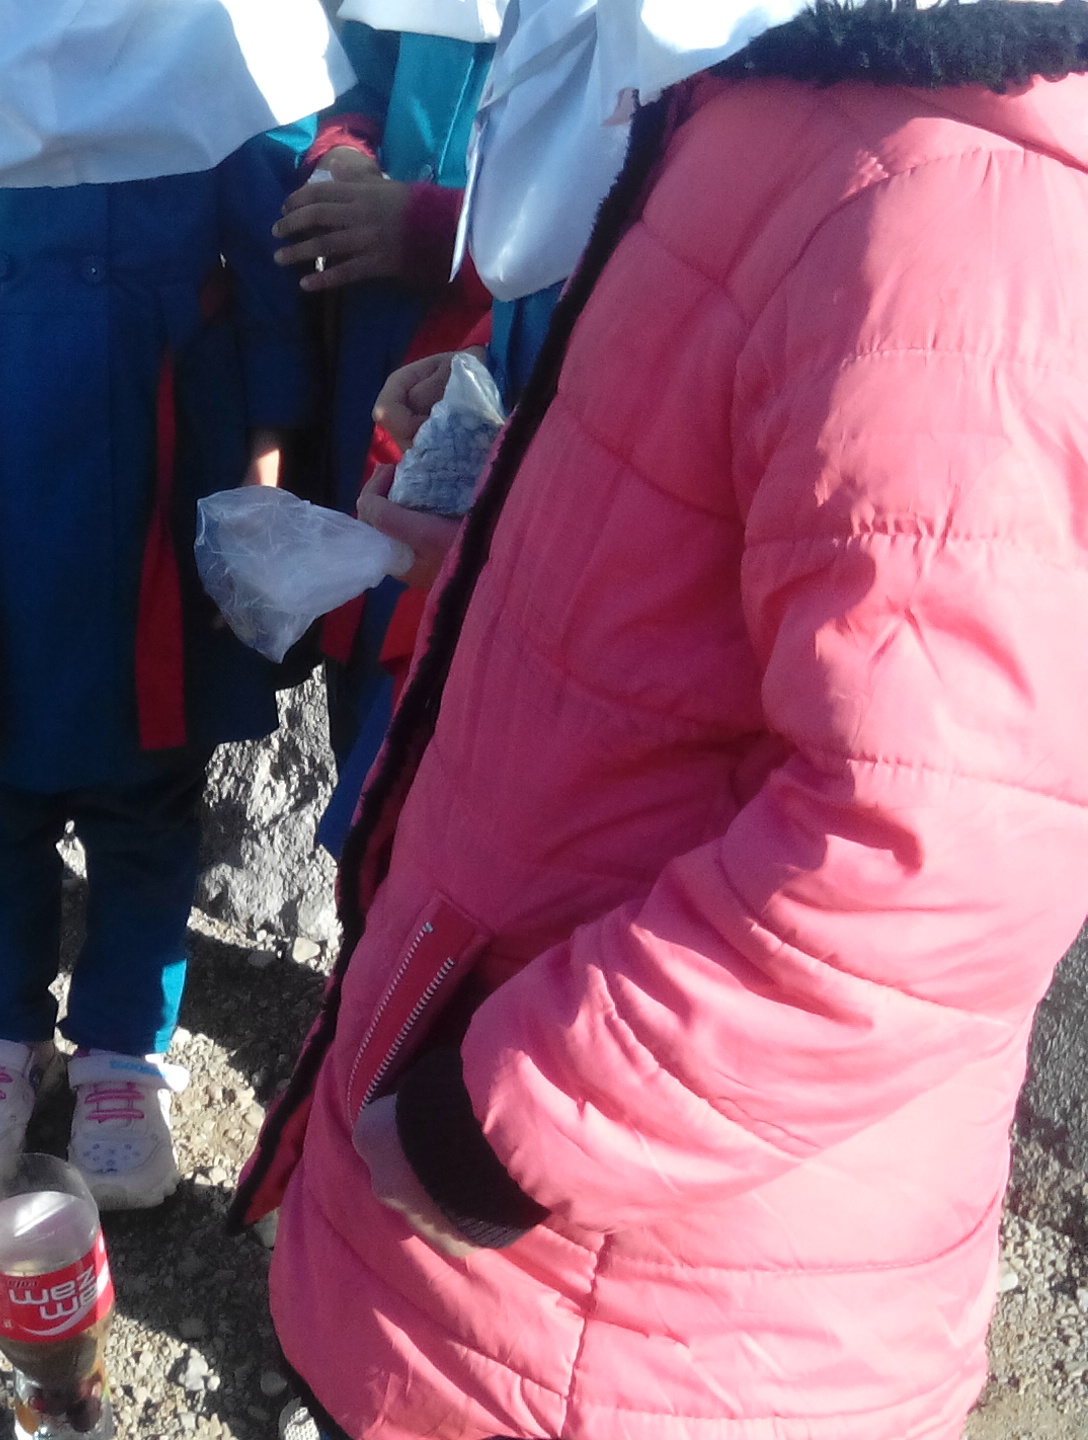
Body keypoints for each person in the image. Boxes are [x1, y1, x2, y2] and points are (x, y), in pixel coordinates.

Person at [232, 3, 1088, 1436]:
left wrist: (499, 1128)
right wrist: (518, 498)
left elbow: (928, 858)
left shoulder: (943, 222)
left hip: (622, 1298)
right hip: (547, 1267)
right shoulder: (790, 104)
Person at [0, 0, 350, 1209]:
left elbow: (269, 242)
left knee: (147, 765)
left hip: (162, 430)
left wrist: (263, 461)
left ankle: (121, 1053)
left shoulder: (221, 17)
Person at [267, 0, 500, 857]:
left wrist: (439, 233)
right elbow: (355, 79)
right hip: (371, 382)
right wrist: (341, 161)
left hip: (499, 394)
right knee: (362, 708)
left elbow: (632, 193)